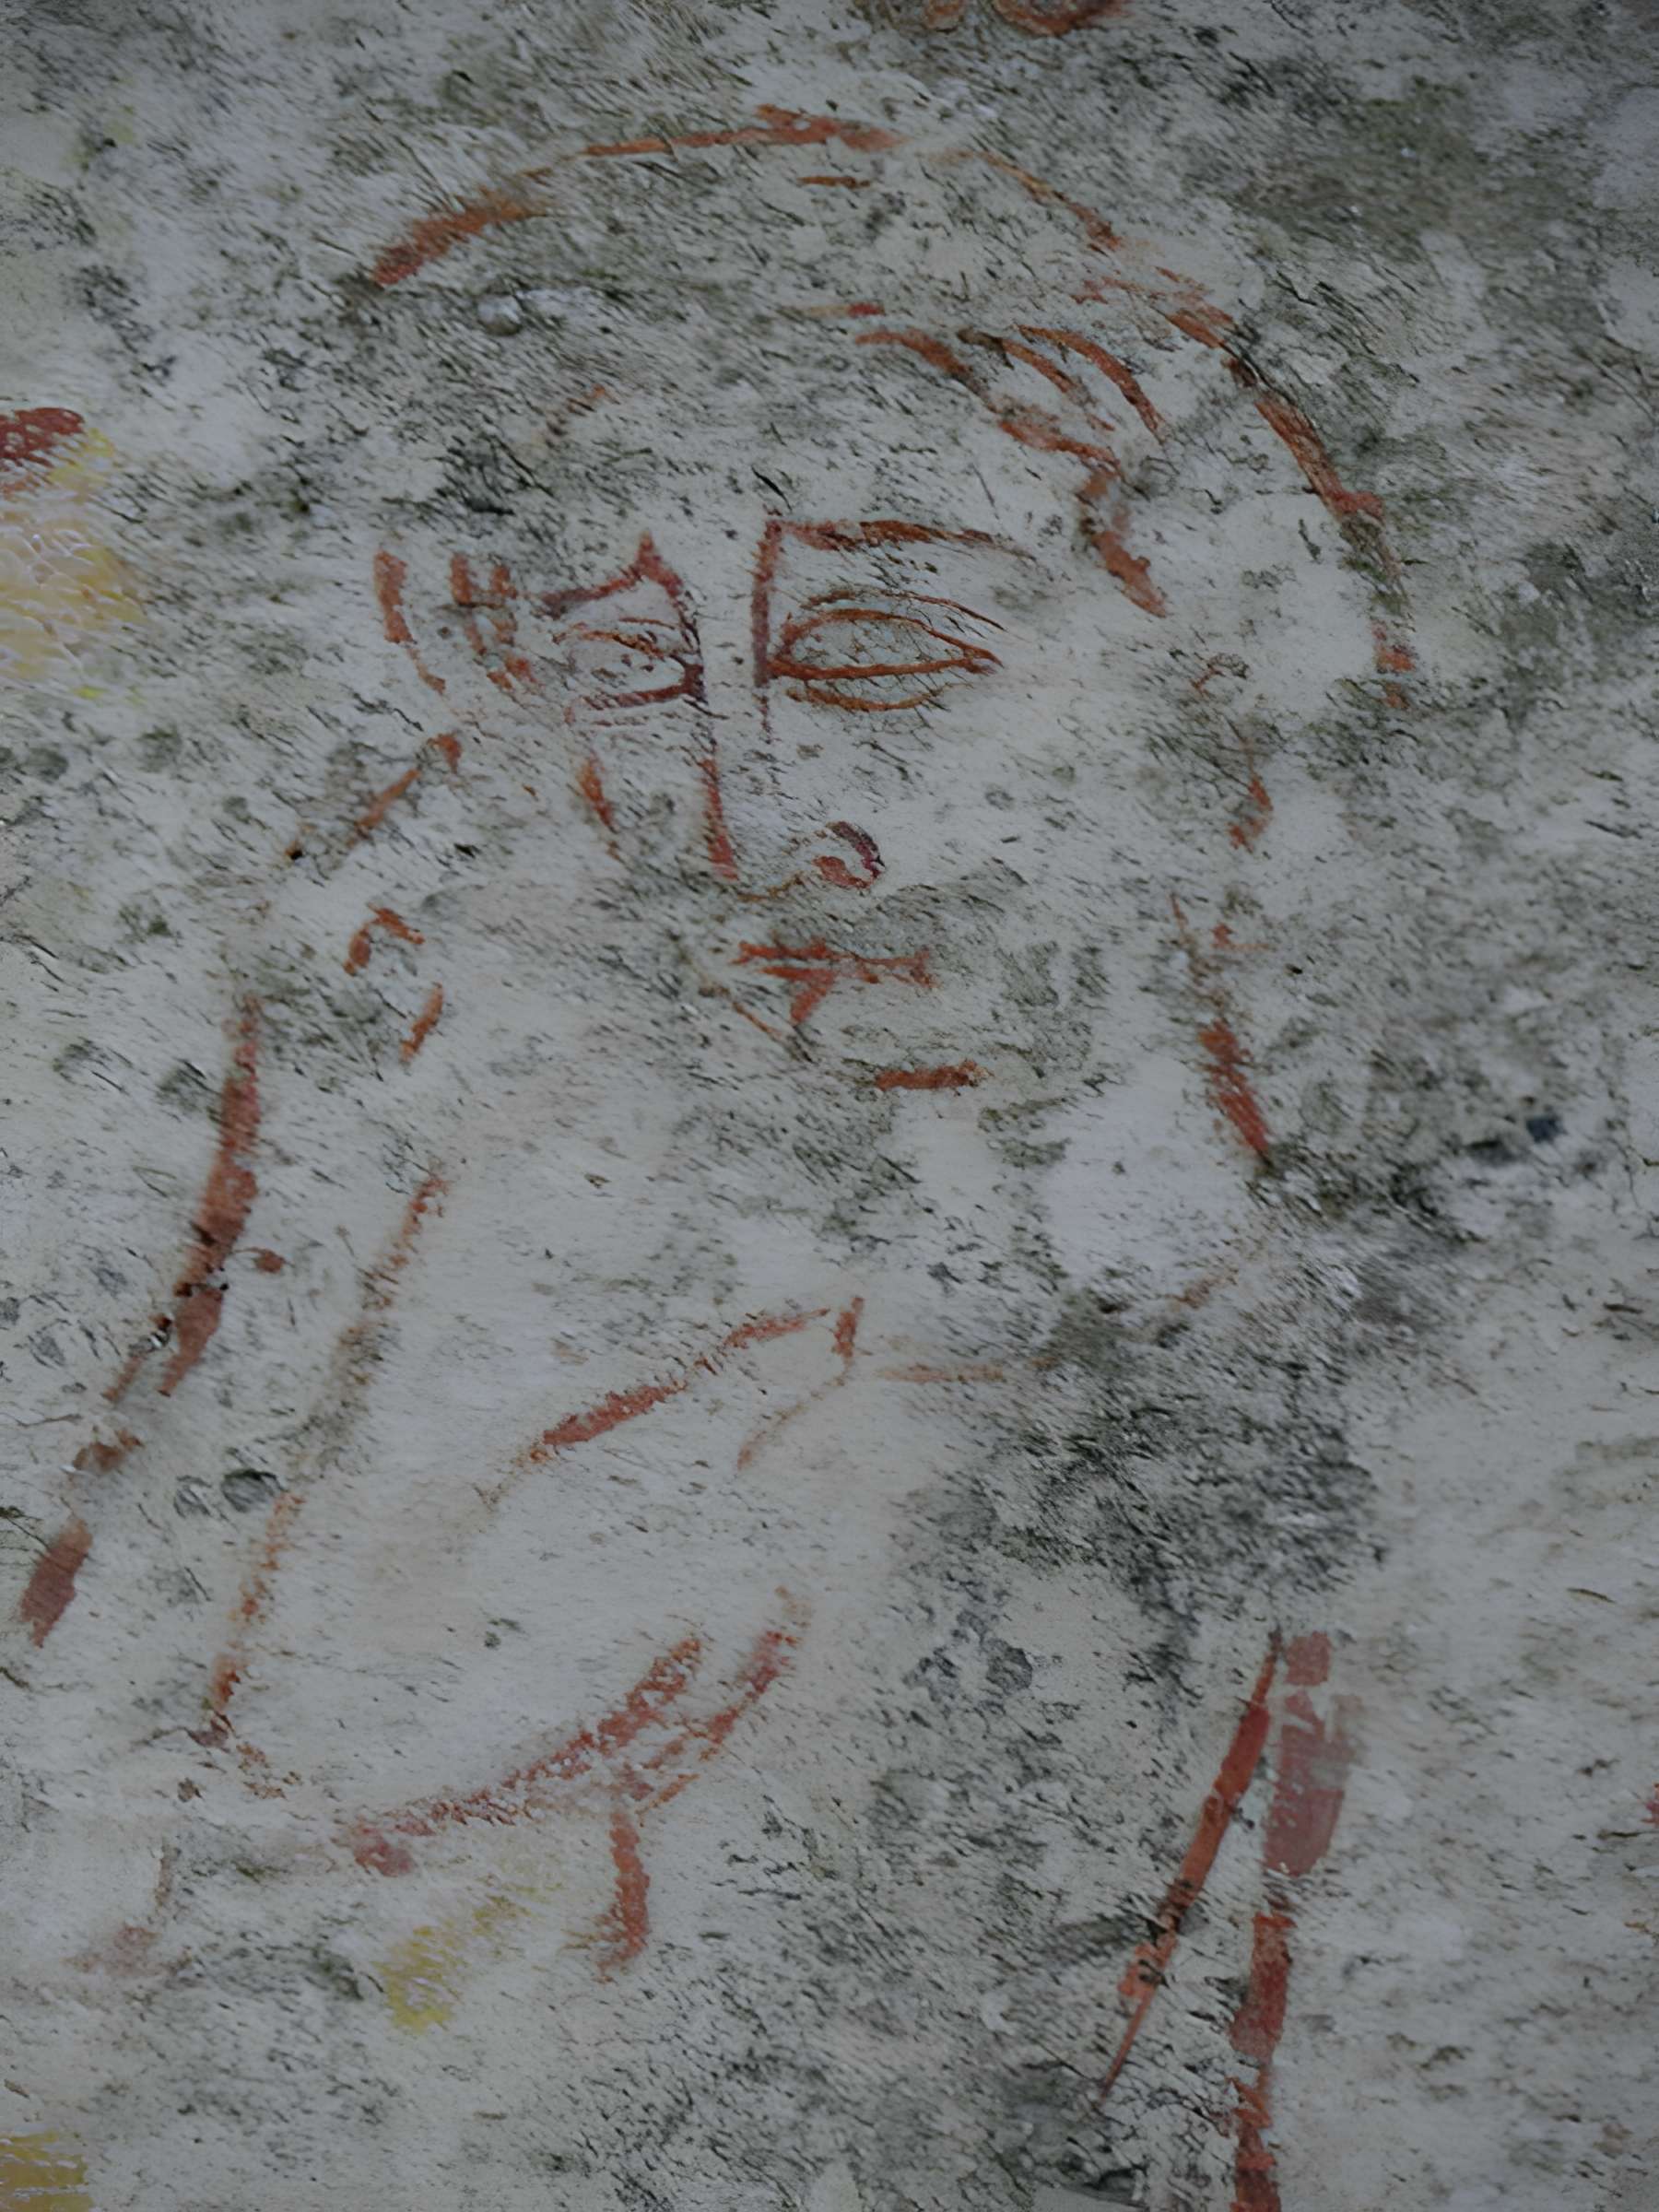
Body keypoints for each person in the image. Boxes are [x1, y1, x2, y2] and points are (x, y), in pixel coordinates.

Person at [14, 111, 1394, 2209]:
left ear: (1195, 691)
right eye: (628, 668)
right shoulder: (503, 1210)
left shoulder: (1235, 1344)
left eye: (881, 654)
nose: (751, 825)